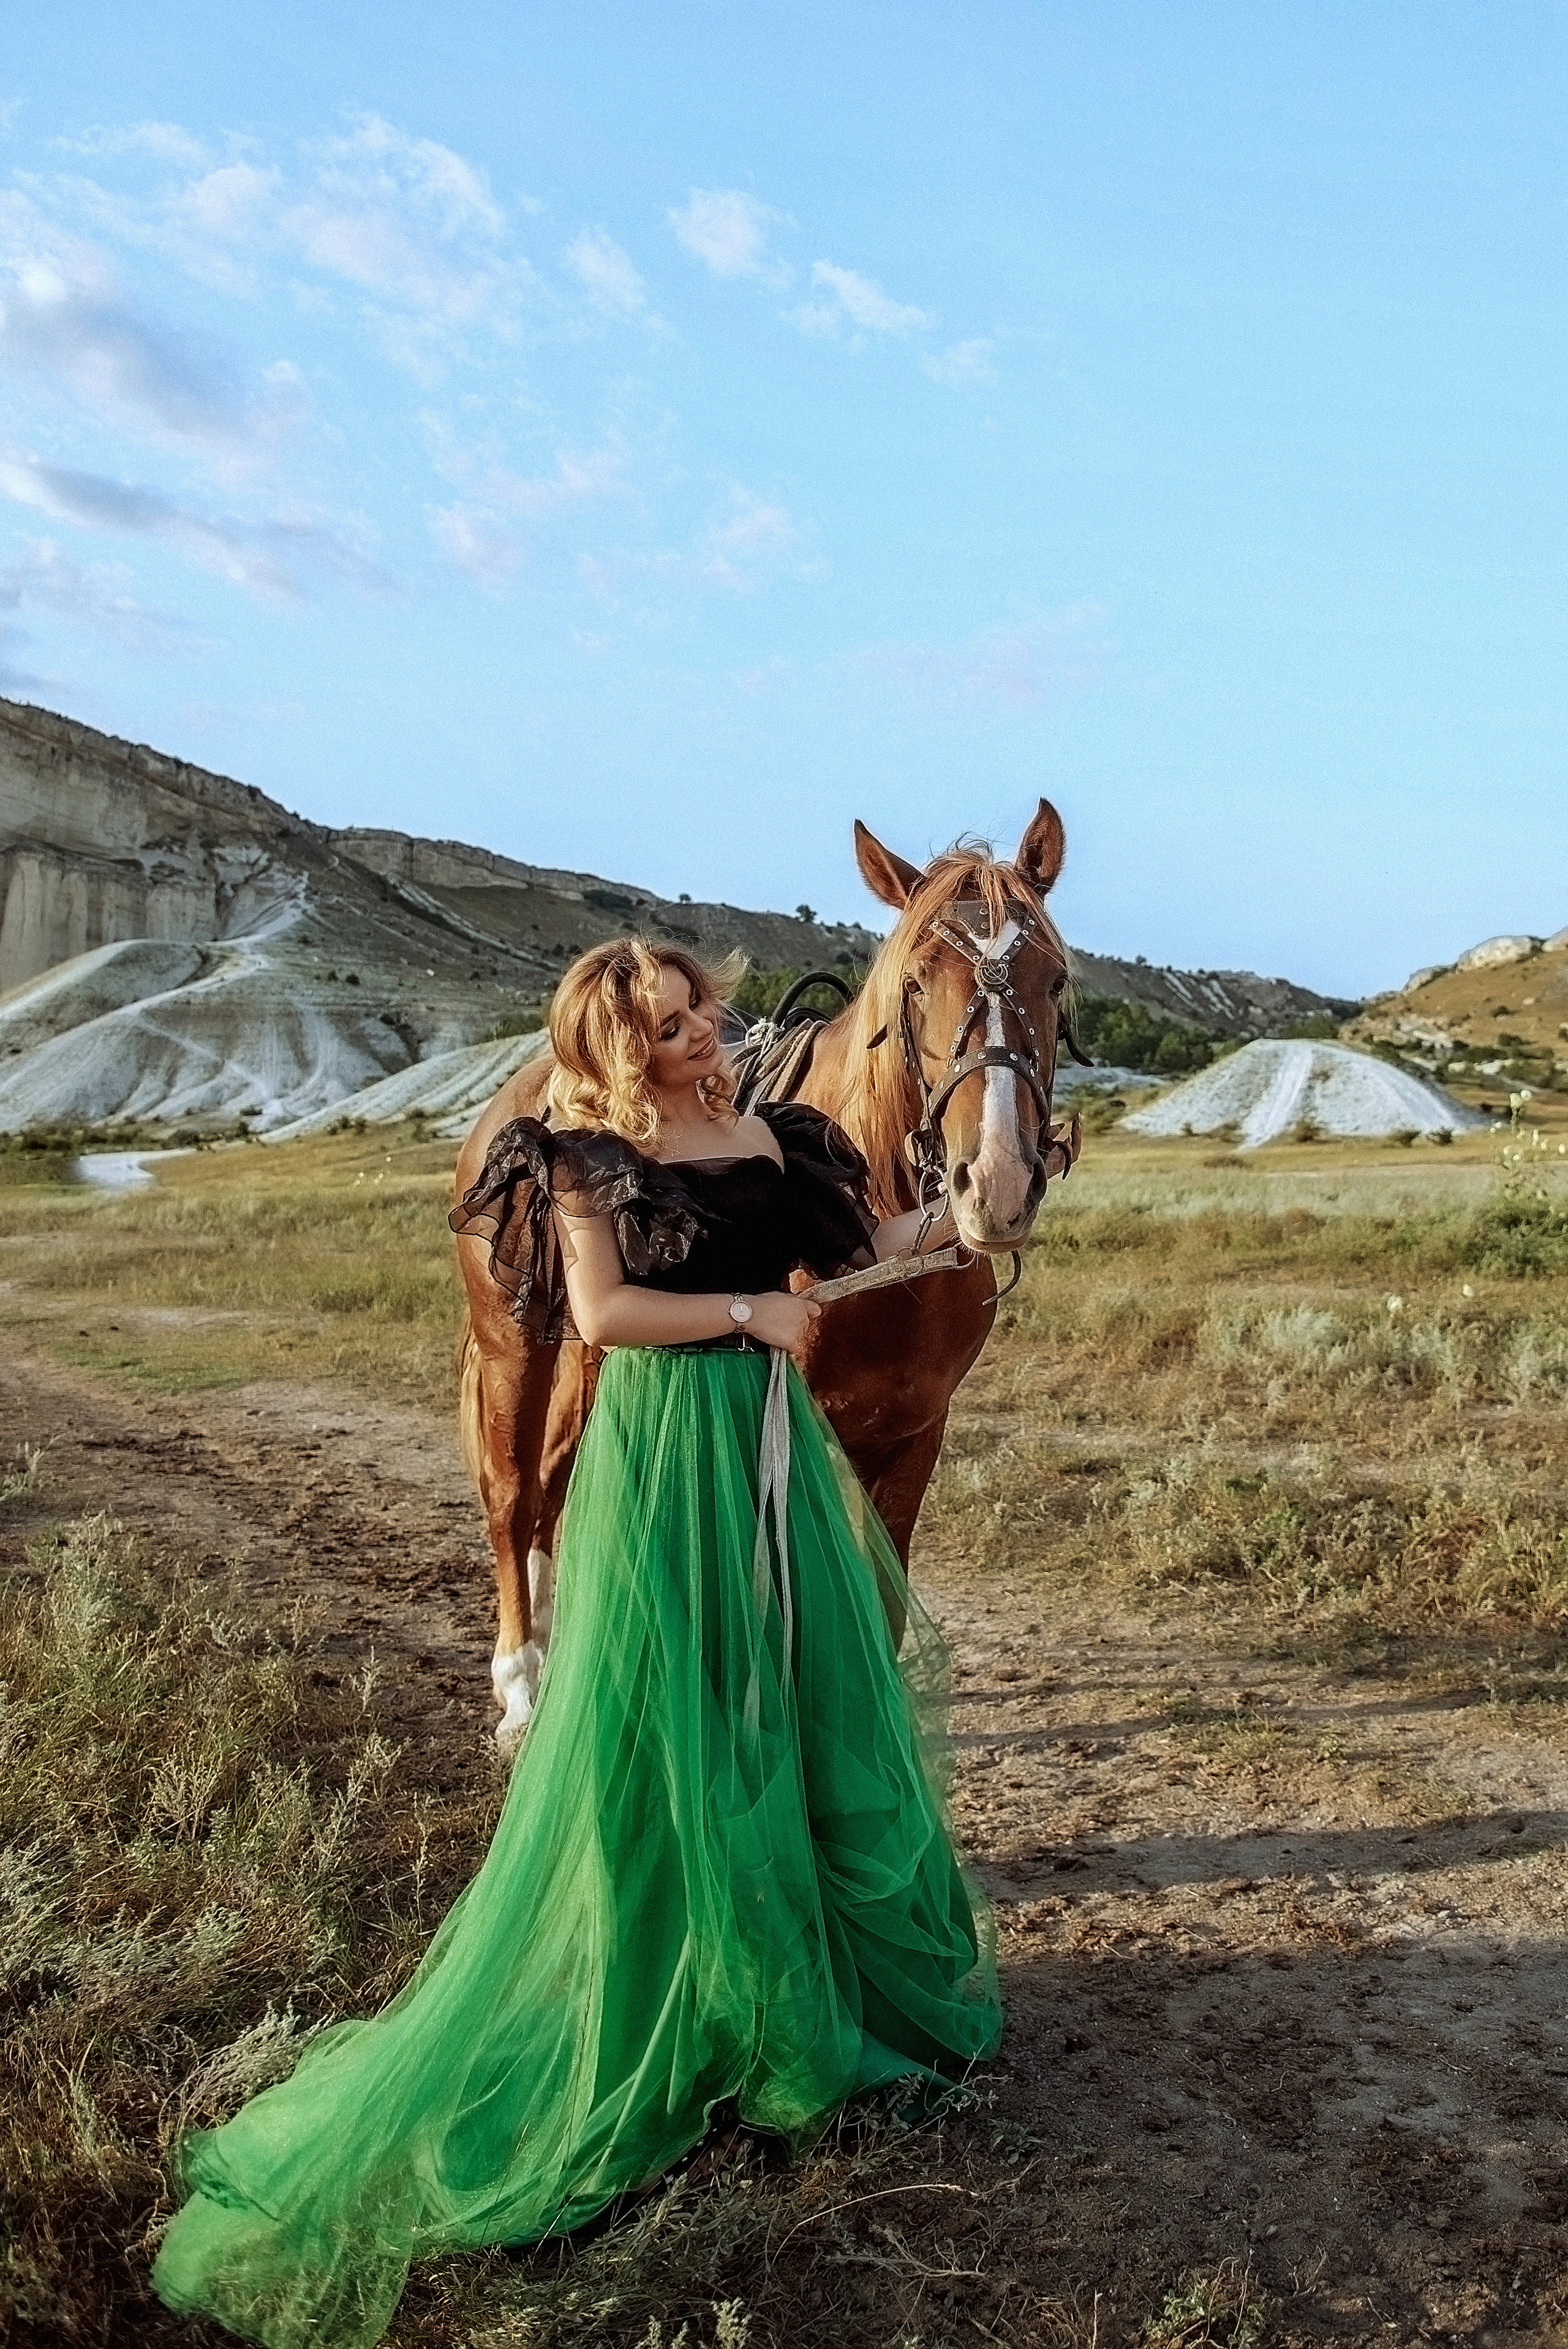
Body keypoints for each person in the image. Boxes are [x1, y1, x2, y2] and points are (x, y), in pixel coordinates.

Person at [152, 938, 1001, 2349]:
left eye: (706, 1010)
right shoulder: (583, 1160)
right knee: (673, 1711)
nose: (704, 1036)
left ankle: (796, 1982)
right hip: (668, 1452)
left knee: (783, 1695)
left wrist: (964, 1216)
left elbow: (859, 1254)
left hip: (765, 1446)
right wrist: (745, 1313)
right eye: (673, 1027)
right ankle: (677, 1980)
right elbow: (605, 1315)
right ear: (620, 1046)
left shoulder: (767, 1129)